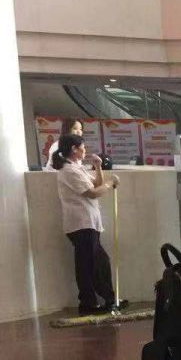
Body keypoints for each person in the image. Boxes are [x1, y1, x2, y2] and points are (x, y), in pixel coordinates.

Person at [53, 134, 127, 315]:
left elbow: (96, 183)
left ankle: (109, 299)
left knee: (100, 262)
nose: (85, 150)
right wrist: (110, 184)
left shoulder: (77, 168)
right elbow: (92, 193)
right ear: (74, 149)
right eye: (83, 147)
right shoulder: (68, 171)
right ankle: (88, 303)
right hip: (81, 224)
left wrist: (98, 167)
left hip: (89, 223)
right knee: (88, 265)